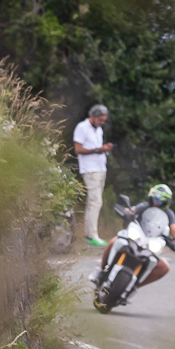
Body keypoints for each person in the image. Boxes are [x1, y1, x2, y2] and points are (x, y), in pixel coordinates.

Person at [100, 183, 175, 289]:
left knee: (164, 268)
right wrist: (125, 212)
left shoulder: (169, 213)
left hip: (152, 244)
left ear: (166, 202)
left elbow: (174, 229)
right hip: (136, 238)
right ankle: (102, 270)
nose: (156, 202)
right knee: (114, 241)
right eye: (154, 199)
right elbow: (131, 210)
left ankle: (135, 286)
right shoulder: (144, 206)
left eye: (160, 201)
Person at [72, 103, 113, 246]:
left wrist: (104, 149)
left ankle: (89, 234)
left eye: (104, 120)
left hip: (101, 168)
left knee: (95, 202)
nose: (102, 122)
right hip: (90, 169)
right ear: (93, 117)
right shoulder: (82, 128)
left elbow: (97, 148)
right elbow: (78, 149)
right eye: (100, 120)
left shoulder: (99, 129)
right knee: (95, 202)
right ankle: (92, 235)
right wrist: (98, 149)